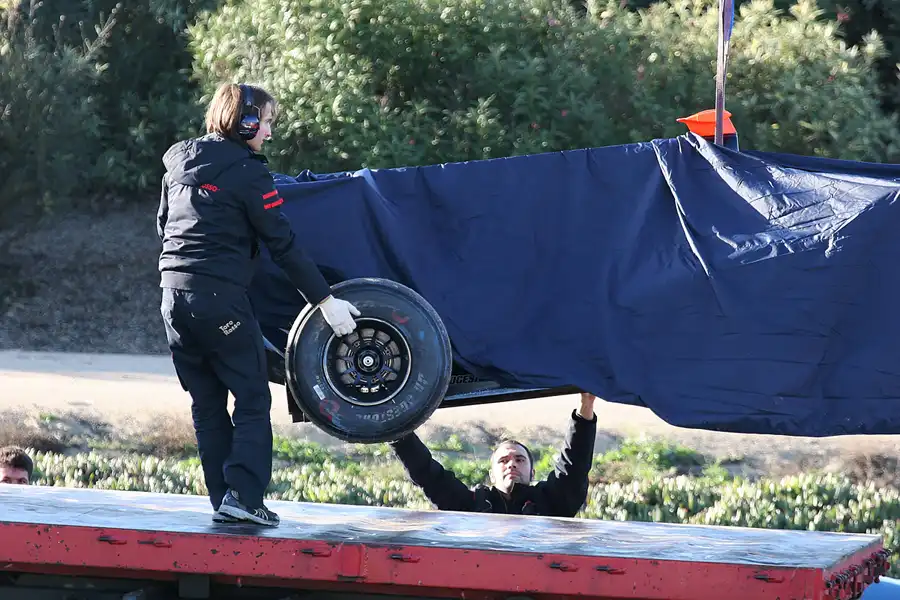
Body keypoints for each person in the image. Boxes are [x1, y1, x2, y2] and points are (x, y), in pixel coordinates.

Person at [157, 82, 360, 527]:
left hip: (172, 299)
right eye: (266, 122)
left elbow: (163, 227)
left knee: (206, 403)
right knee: (250, 397)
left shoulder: (177, 160)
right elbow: (282, 244)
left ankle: (225, 500)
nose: (268, 132)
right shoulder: (249, 172)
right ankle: (245, 497)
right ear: (245, 121)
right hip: (220, 301)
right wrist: (326, 301)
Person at [389, 392, 598, 517]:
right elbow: (429, 475)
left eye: (519, 459)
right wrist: (394, 426)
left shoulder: (552, 503)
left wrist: (586, 407)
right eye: (503, 461)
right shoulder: (471, 505)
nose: (512, 464)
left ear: (532, 472)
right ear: (491, 474)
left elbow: (574, 467)